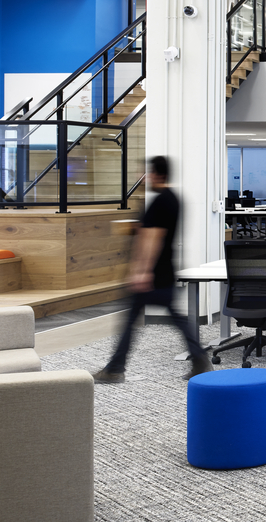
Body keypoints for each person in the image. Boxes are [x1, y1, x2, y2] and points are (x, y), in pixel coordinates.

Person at [93, 156, 212, 383]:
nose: (143, 177)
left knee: (131, 321)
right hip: (165, 270)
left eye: (147, 173)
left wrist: (142, 271)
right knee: (175, 319)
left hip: (153, 275)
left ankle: (114, 369)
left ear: (158, 174)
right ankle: (199, 360)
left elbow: (153, 238)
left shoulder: (160, 202)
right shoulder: (173, 199)